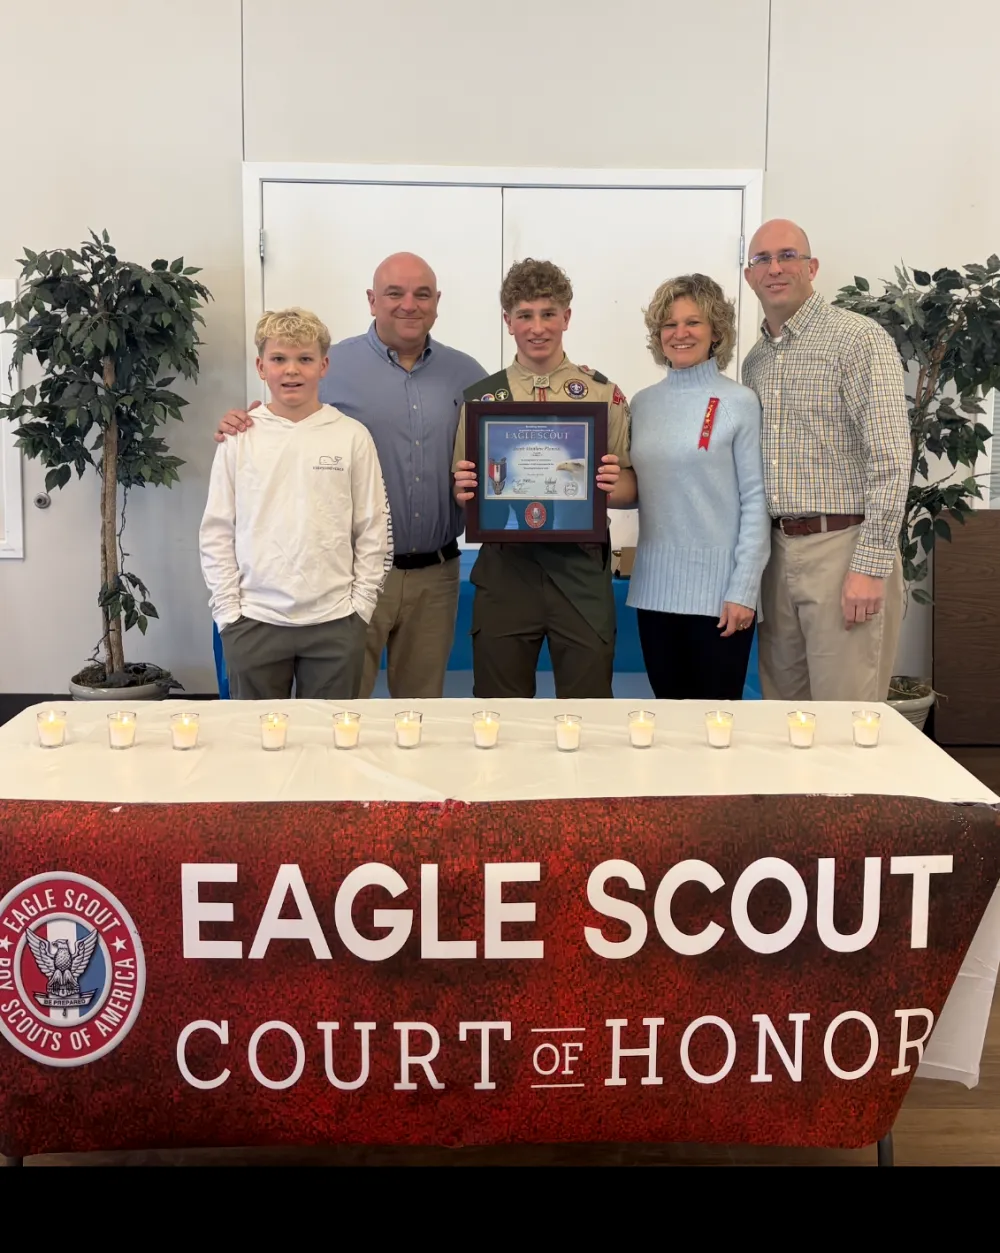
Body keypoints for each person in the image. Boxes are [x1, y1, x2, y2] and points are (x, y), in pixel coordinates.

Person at [215, 253, 485, 699]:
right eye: (394, 293)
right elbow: (282, 417)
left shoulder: (468, 374)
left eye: (422, 294)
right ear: (372, 300)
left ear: (437, 302)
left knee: (419, 711)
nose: (409, 304)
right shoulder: (329, 364)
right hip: (352, 578)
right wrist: (242, 423)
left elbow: (506, 448)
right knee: (346, 714)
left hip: (436, 576)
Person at [741, 220, 911, 704]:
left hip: (843, 549)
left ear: (812, 267)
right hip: (777, 556)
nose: (775, 268)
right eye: (762, 260)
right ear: (750, 276)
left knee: (845, 721)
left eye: (787, 256)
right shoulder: (755, 361)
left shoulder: (857, 339)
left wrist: (870, 566)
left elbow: (891, 458)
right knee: (784, 717)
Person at [452, 258, 631, 699]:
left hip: (580, 566)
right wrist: (465, 492)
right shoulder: (482, 401)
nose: (537, 327)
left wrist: (611, 485)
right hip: (506, 568)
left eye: (548, 313)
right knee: (498, 711)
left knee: (589, 709)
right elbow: (466, 494)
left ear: (566, 317)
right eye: (525, 315)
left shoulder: (602, 395)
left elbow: (630, 488)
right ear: (508, 321)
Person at [200, 308, 393, 700]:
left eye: (304, 358)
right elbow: (217, 530)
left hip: (336, 622)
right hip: (253, 620)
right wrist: (229, 615)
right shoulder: (239, 438)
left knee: (328, 734)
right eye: (279, 359)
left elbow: (373, 528)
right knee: (256, 734)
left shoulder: (351, 436)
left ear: (323, 366)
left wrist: (360, 608)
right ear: (261, 367)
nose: (291, 370)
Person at [614, 274, 769, 700]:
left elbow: (756, 502)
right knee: (667, 721)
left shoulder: (739, 402)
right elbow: (643, 488)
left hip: (720, 599)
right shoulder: (642, 404)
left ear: (716, 331)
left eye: (693, 322)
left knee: (715, 726)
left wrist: (744, 589)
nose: (679, 333)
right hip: (654, 593)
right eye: (669, 324)